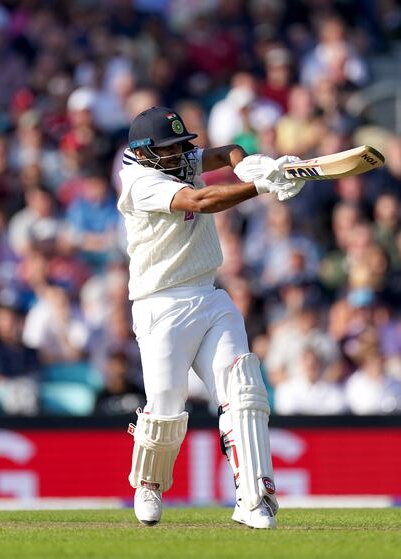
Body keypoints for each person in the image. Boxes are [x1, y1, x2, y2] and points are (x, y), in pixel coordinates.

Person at [118, 106, 303, 529]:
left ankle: (254, 499)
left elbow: (228, 151)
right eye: (168, 149)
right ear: (145, 153)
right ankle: (148, 482)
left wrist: (252, 163)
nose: (180, 155)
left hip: (208, 294)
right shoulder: (140, 181)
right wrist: (261, 186)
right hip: (159, 304)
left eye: (182, 145)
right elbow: (200, 200)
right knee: (166, 407)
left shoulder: (176, 158)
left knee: (243, 390)